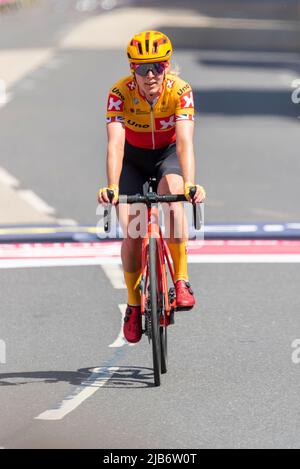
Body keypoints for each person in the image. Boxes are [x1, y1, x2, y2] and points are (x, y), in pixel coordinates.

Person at [98, 30, 206, 343]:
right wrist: (111, 187)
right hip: (133, 159)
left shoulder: (180, 90)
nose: (150, 75)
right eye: (142, 68)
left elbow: (185, 142)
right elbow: (115, 145)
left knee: (173, 198)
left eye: (157, 67)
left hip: (167, 156)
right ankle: (133, 306)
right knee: (133, 231)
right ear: (132, 69)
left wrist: (191, 183)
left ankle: (182, 281)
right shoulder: (119, 93)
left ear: (167, 66)